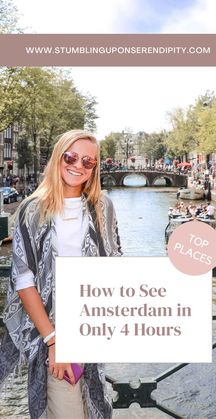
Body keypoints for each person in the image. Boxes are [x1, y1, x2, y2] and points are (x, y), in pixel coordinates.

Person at [0, 129, 122, 419]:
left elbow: (115, 266)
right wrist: (54, 341)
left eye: (88, 162)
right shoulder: (32, 209)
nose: (78, 165)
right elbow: (24, 279)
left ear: (95, 168)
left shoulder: (102, 207)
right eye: (71, 157)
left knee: (93, 406)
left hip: (91, 329)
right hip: (52, 332)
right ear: (58, 157)